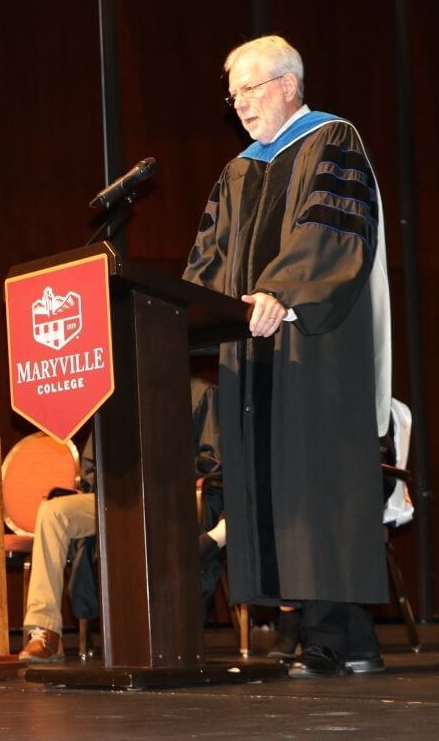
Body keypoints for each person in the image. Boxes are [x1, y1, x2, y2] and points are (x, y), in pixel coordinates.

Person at [182, 35, 392, 678]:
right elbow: (210, 257)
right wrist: (191, 311)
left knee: (317, 480)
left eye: (249, 89)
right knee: (276, 488)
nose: (240, 104)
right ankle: (330, 629)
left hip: (314, 344)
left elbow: (334, 231)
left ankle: (327, 629)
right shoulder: (238, 171)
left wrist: (283, 292)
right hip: (253, 351)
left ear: (288, 85)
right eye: (234, 95)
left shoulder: (333, 141)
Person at [19, 378, 225, 663]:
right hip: (116, 499)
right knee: (53, 512)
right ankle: (46, 631)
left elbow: (212, 461)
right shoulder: (113, 397)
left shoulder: (199, 393)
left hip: (169, 499)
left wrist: (159, 471)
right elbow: (91, 467)